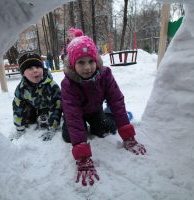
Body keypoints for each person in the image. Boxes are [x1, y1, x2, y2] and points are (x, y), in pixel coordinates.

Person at [61, 36, 146, 186]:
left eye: (91, 61)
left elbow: (117, 101)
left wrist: (127, 135)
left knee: (103, 129)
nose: (87, 67)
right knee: (69, 136)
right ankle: (74, 130)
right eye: (81, 62)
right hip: (75, 114)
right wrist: (82, 156)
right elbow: (73, 117)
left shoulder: (105, 75)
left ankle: (107, 113)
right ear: (73, 64)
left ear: (97, 61)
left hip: (94, 109)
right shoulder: (68, 84)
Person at [12, 51, 62, 141]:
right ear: (23, 73)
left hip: (47, 107)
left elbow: (56, 106)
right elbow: (17, 107)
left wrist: (53, 127)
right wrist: (19, 128)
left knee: (53, 111)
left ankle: (46, 117)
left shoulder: (51, 86)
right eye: (30, 68)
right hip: (33, 108)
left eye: (38, 67)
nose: (35, 70)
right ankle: (34, 117)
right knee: (27, 116)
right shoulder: (21, 89)